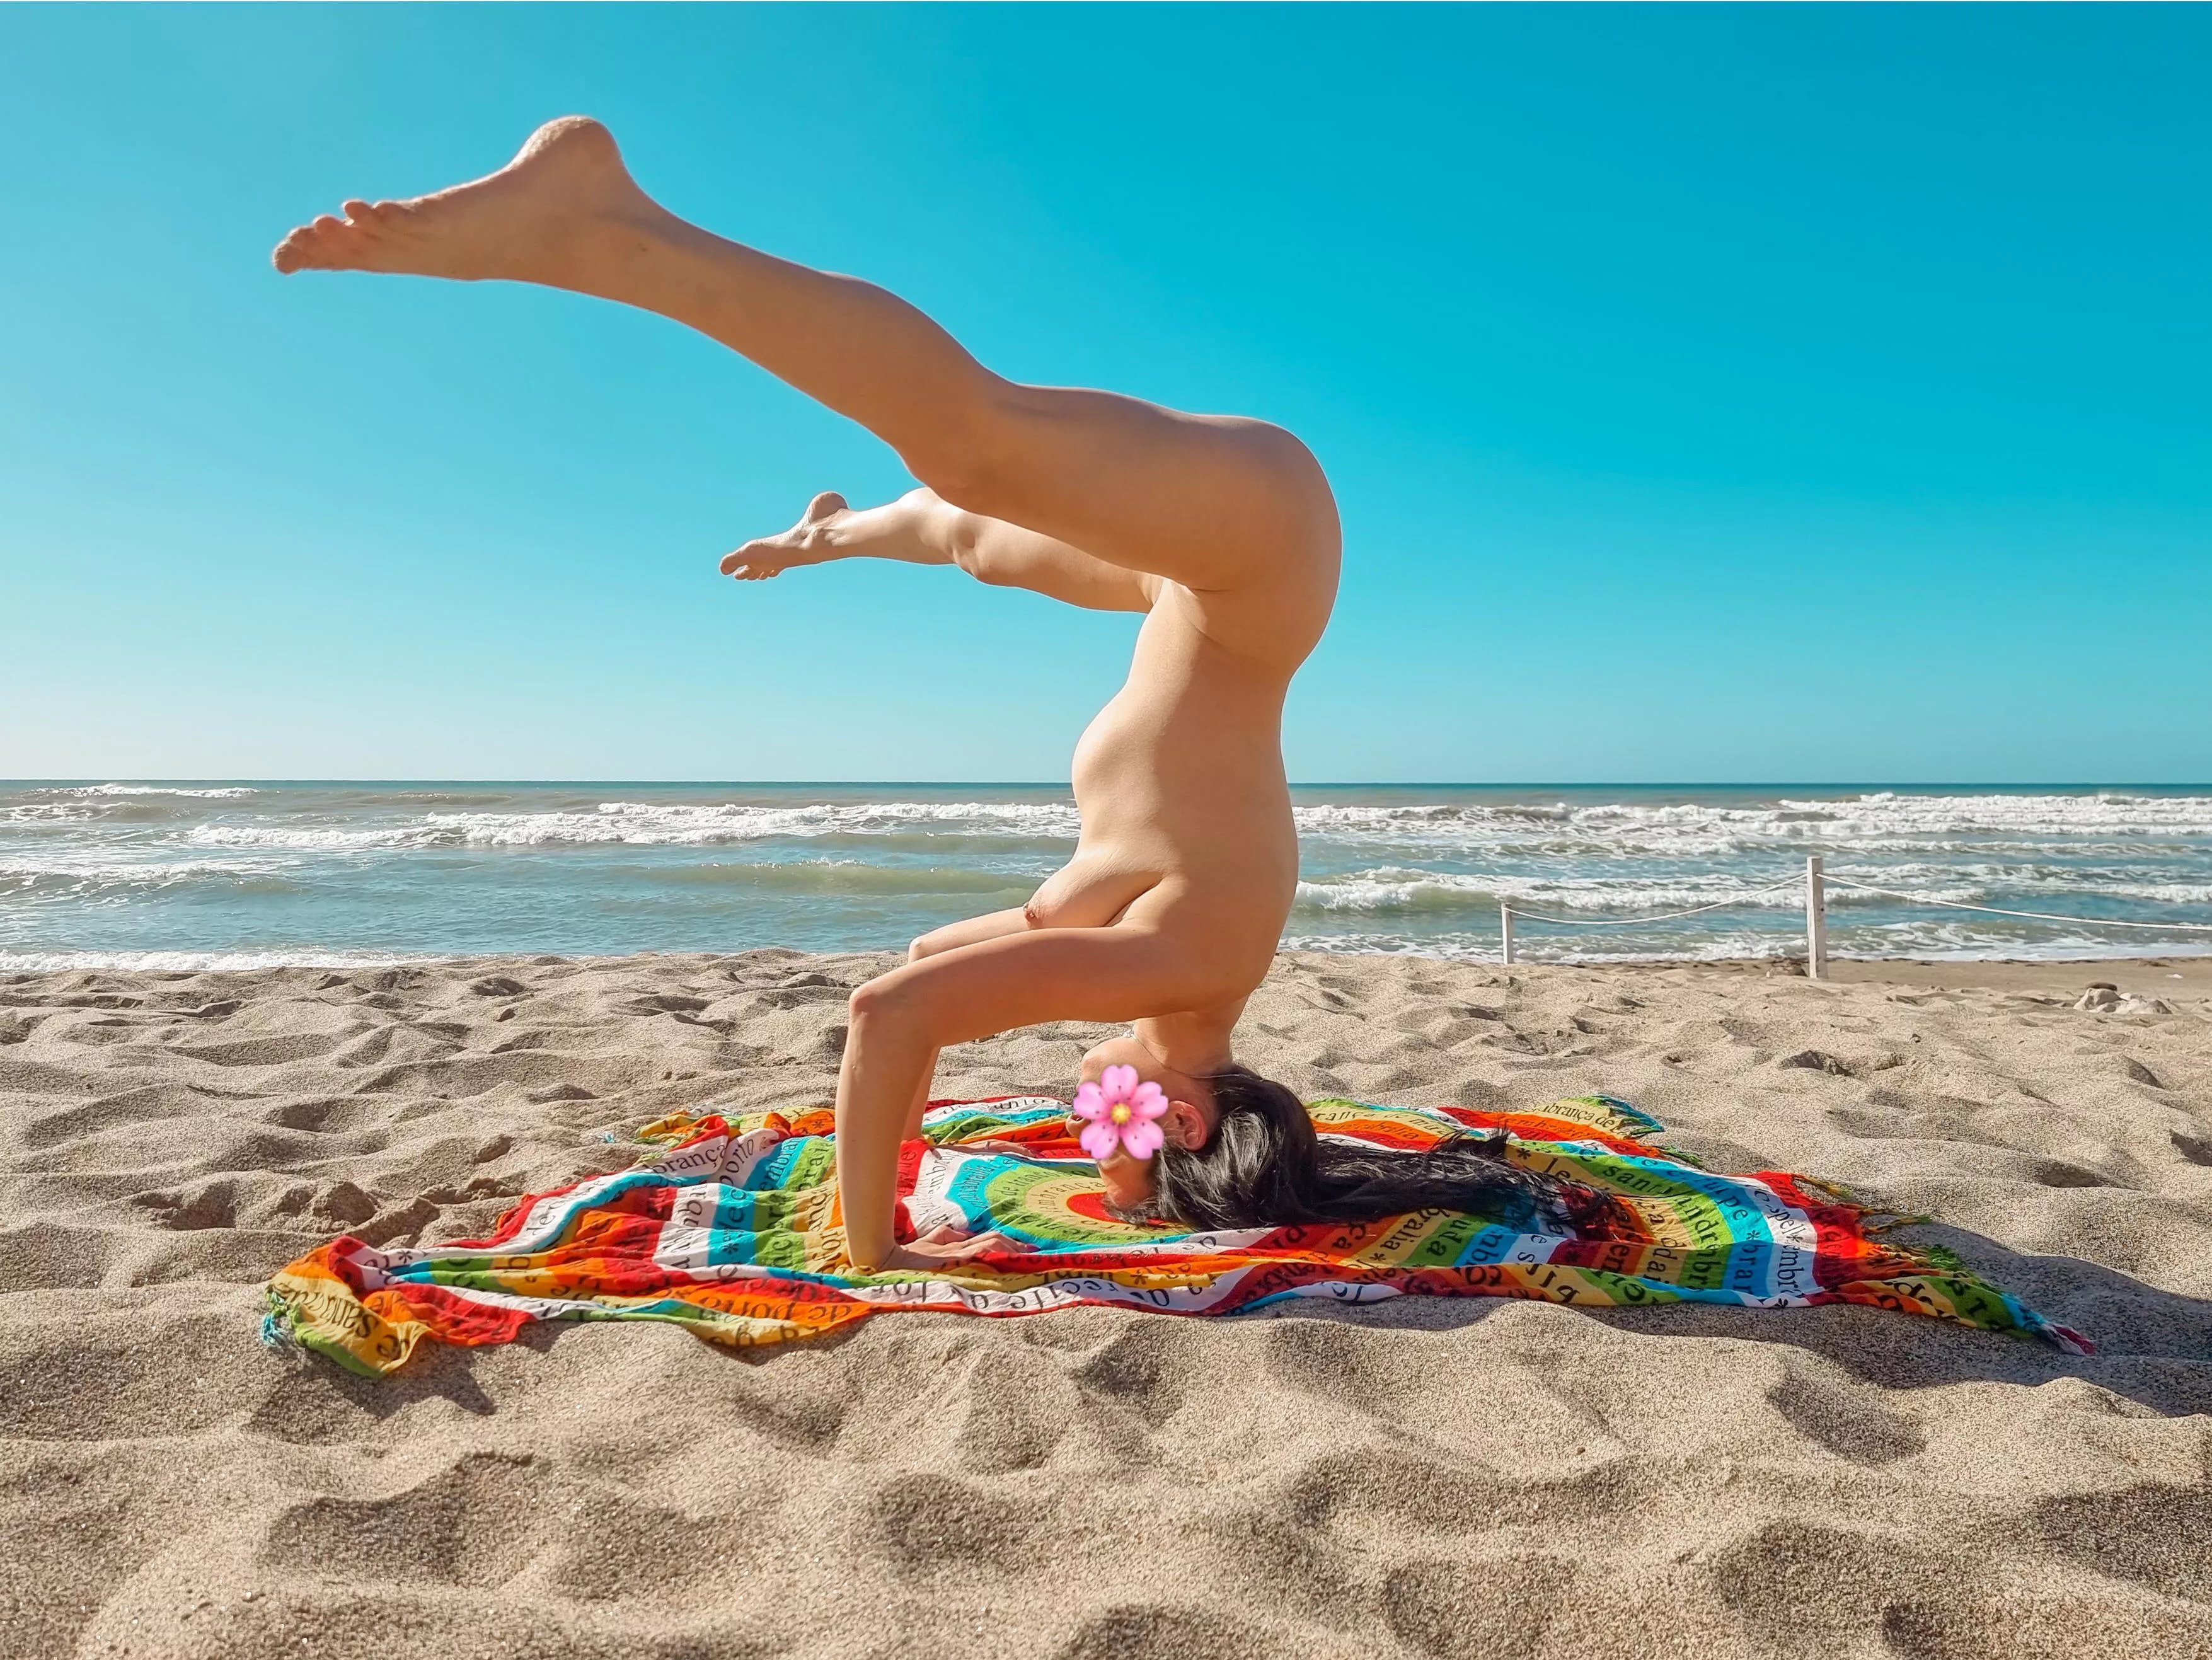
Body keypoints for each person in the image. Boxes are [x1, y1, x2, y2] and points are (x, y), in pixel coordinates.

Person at [275, 117, 1589, 1269]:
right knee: (976, 441)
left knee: (968, 524)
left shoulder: (1160, 969)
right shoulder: (1190, 960)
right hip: (1261, 560)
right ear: (1177, 1117)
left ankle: (823, 528)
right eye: (1110, 1147)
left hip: (1196, 584)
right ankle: (601, 222)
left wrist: (812, 550)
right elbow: (891, 1021)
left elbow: (919, 971)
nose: (1085, 1129)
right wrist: (869, 1247)